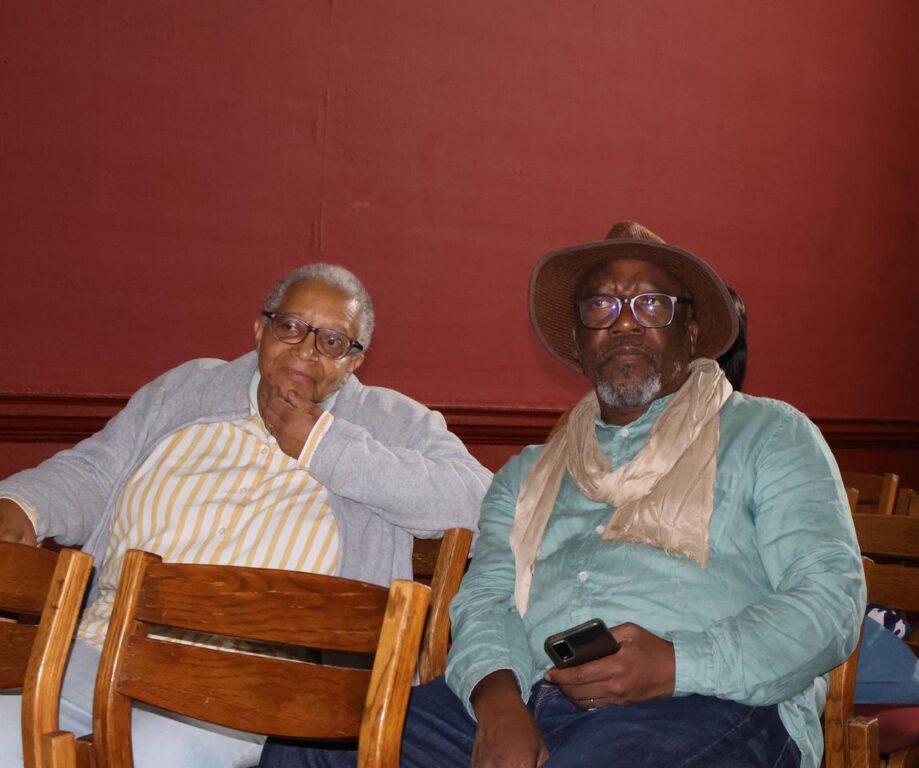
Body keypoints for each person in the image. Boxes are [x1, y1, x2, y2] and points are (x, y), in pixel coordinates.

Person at [260, 224, 864, 768]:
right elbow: (486, 601)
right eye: (602, 305)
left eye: (651, 304)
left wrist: (677, 664)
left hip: (712, 701)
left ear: (692, 331)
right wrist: (498, 703)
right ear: (578, 340)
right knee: (314, 744)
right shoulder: (526, 474)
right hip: (526, 695)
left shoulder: (770, 434)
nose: (624, 322)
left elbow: (829, 601)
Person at [0, 263, 492, 768]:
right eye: (292, 326)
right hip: (105, 647)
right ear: (260, 329)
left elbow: (483, 506)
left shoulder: (393, 422)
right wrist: (22, 505)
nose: (307, 350)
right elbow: (93, 471)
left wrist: (325, 446)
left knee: (156, 755)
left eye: (332, 342)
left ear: (354, 362)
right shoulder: (187, 389)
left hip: (261, 681)